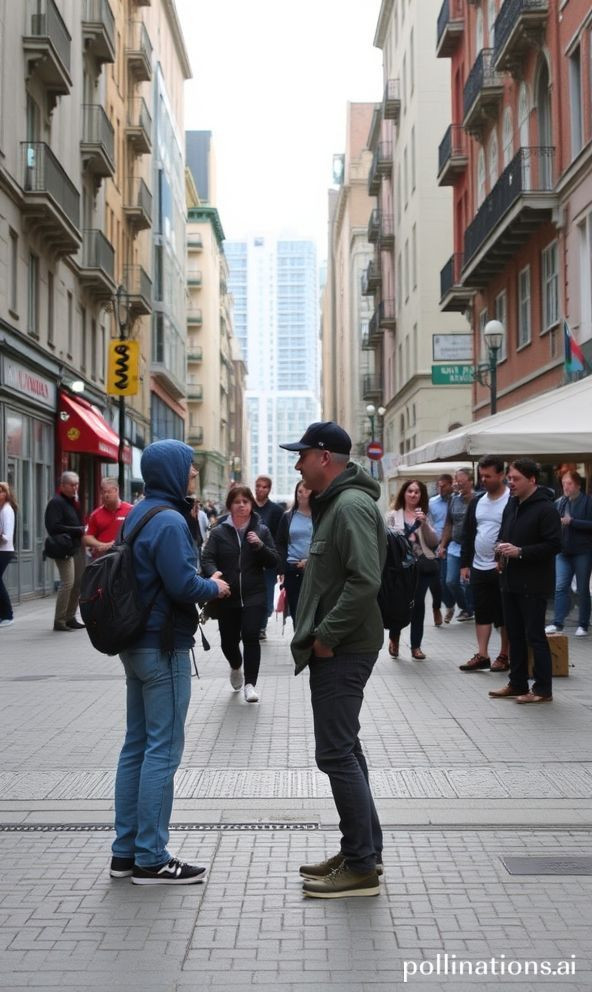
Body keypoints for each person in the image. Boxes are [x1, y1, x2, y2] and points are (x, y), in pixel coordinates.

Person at [111, 440, 230, 885]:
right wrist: (214, 587)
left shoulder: (137, 514)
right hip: (163, 647)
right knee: (163, 749)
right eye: (189, 467)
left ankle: (125, 853)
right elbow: (182, 585)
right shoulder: (170, 520)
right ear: (173, 471)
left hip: (134, 644)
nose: (193, 474)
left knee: (136, 746)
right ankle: (152, 857)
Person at [280, 421, 385, 899]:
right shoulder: (336, 504)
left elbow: (365, 580)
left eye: (302, 455)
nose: (297, 465)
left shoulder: (350, 506)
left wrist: (326, 636)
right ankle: (362, 851)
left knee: (335, 754)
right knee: (347, 750)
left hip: (343, 649)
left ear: (324, 457)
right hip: (339, 647)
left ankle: (361, 867)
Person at [489, 458, 561, 705]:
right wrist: (500, 552)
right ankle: (517, 683)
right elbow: (503, 534)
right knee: (515, 635)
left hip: (534, 583)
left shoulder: (546, 509)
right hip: (509, 580)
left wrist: (520, 552)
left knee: (534, 636)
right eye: (509, 478)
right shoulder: (512, 504)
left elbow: (554, 545)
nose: (511, 483)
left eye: (516, 479)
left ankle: (542, 689)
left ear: (532, 480)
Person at [201, 485, 279, 703]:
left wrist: (260, 546)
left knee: (251, 636)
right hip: (227, 595)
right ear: (230, 506)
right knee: (228, 642)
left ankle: (250, 685)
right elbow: (207, 558)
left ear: (251, 505)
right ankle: (236, 666)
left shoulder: (261, 531)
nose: (242, 505)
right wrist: (213, 573)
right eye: (237, 502)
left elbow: (273, 560)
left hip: (255, 594)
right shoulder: (219, 532)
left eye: (245, 501)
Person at [459, 456, 510, 672]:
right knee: (481, 611)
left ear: (501, 475)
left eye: (488, 476)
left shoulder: (510, 500)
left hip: (501, 567)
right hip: (478, 566)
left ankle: (504, 655)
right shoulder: (477, 501)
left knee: (503, 614)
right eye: (481, 476)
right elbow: (468, 533)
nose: (483, 480)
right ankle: (482, 654)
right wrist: (464, 563)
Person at [387, 480, 439, 661]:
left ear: (421, 495)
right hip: (400, 569)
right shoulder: (393, 516)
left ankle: (416, 646)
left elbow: (433, 542)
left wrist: (424, 524)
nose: (413, 495)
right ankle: (394, 638)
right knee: (399, 605)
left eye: (417, 492)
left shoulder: (425, 516)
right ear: (404, 493)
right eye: (410, 491)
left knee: (418, 605)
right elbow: (387, 540)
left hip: (421, 567)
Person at [545, 470, 592, 637]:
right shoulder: (560, 502)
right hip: (563, 551)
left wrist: (572, 522)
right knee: (560, 587)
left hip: (583, 551)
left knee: (582, 589)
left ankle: (583, 624)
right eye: (564, 483)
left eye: (569, 483)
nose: (566, 487)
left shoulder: (588, 502)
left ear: (578, 485)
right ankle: (558, 623)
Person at [44, 472, 86, 632]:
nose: (75, 488)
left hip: (75, 546)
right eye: (72, 485)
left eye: (77, 484)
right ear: (62, 486)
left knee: (78, 583)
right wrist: (77, 529)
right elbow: (53, 526)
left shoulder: (73, 501)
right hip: (63, 548)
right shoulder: (56, 502)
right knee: (68, 583)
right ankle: (59, 620)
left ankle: (70, 617)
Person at [275, 481, 313, 623]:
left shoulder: (320, 516)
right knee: (297, 613)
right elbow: (280, 543)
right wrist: (282, 568)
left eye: (307, 491)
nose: (302, 494)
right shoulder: (288, 516)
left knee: (313, 614)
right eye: (299, 491)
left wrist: (310, 561)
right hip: (293, 569)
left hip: (314, 570)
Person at [439, 468, 475, 621]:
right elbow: (449, 523)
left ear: (471, 482)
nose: (458, 485)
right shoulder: (454, 500)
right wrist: (443, 544)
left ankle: (470, 609)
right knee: (450, 581)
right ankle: (465, 606)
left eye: (462, 482)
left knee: (468, 582)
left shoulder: (478, 499)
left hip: (472, 547)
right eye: (457, 482)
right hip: (455, 545)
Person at [253, 475, 284, 639]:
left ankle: (262, 626)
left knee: (267, 593)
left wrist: (279, 565)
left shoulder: (276, 510)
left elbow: (280, 539)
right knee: (251, 593)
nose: (260, 489)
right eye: (258, 486)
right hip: (249, 559)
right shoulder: (248, 506)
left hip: (268, 559)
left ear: (269, 489)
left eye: (264, 487)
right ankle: (252, 624)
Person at [428, 474, 456, 624]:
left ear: (451, 484)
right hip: (435, 545)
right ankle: (449, 605)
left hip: (453, 544)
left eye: (443, 486)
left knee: (449, 580)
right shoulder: (432, 502)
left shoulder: (456, 500)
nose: (440, 489)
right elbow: (427, 521)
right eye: (438, 486)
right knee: (439, 581)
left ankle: (465, 605)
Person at [83, 479, 133, 558]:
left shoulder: (131, 510)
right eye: (103, 492)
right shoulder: (95, 514)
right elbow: (87, 538)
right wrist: (102, 545)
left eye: (108, 492)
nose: (105, 495)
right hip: (102, 559)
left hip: (124, 558)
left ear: (116, 490)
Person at [0, 481, 17, 628]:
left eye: (1, 491)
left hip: (4, 550)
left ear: (6, 494)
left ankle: (7, 615)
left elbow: (7, 536)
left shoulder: (7, 510)